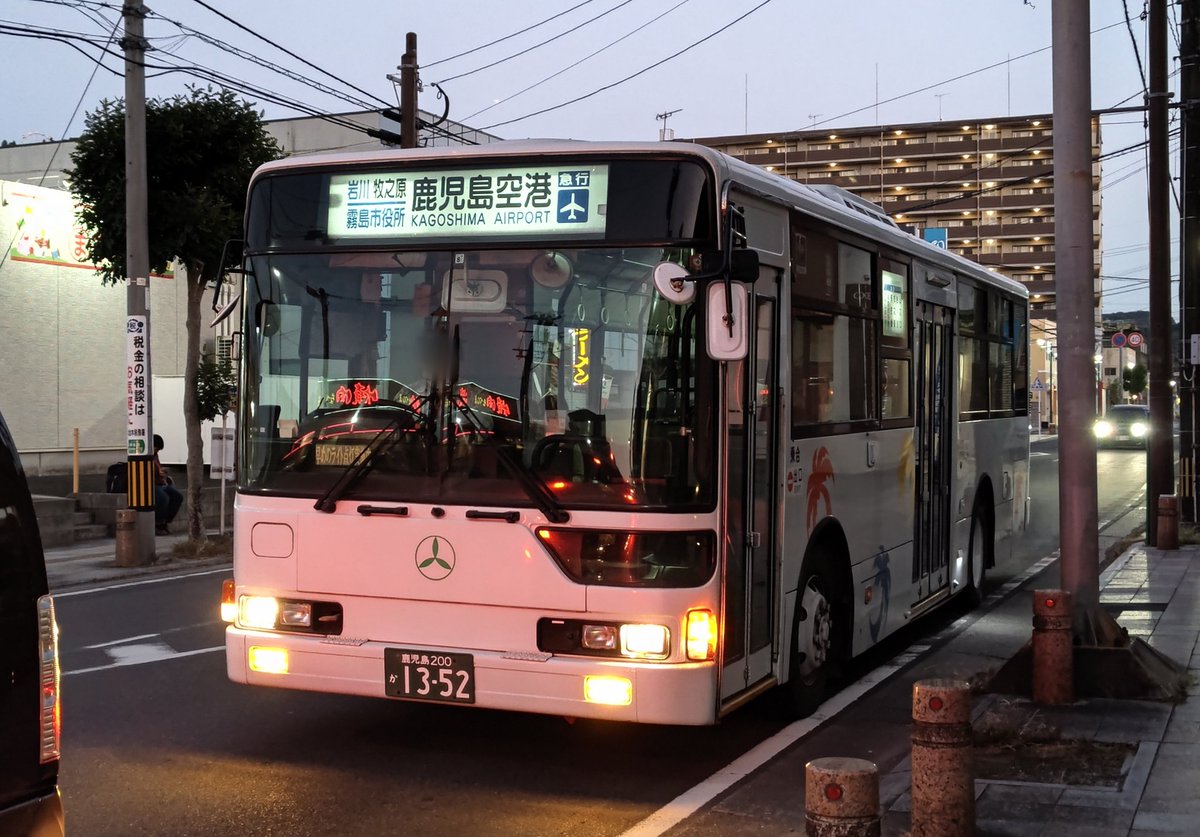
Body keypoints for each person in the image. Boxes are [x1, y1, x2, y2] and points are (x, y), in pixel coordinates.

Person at [153, 434, 183, 535]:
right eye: (156, 448)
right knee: (163, 498)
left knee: (177, 497)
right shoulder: (146, 457)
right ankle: (158, 523)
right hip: (151, 484)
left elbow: (158, 468)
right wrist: (158, 473)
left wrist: (161, 472)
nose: (156, 451)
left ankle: (166, 521)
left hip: (160, 483)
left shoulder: (155, 456)